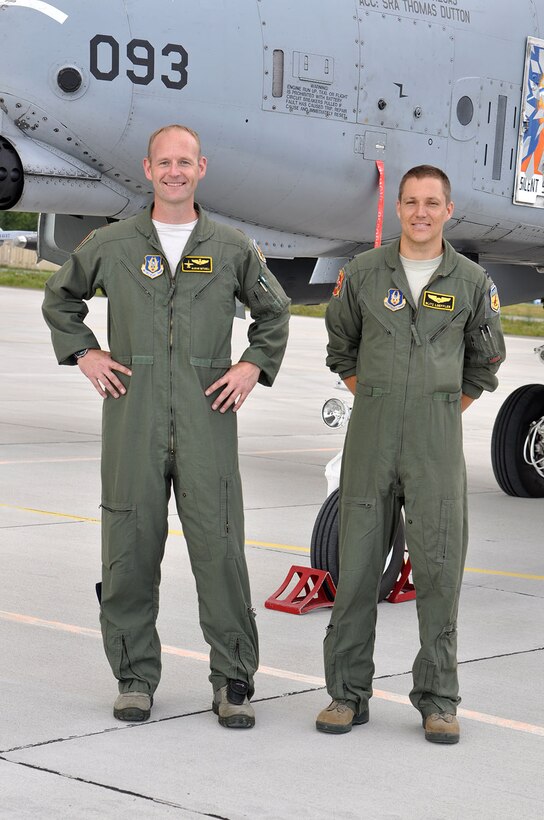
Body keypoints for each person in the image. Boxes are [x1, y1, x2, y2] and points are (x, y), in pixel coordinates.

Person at [42, 124, 290, 728]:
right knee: (127, 549)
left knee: (220, 552)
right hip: (133, 414)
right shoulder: (115, 242)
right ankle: (134, 676)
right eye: (163, 163)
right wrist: (85, 353)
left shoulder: (232, 246)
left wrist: (253, 366)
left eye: (185, 162)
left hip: (209, 417)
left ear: (201, 167)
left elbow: (273, 310)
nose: (174, 171)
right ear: (147, 170)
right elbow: (60, 298)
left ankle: (233, 679)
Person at [315, 165, 505, 743]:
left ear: (449, 210)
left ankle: (438, 698)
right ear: (398, 208)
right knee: (355, 574)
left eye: (432, 203)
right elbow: (340, 348)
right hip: (370, 439)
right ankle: (346, 695)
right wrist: (374, 399)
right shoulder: (364, 275)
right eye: (411, 202)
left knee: (440, 572)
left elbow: (486, 362)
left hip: (436, 444)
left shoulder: (472, 282)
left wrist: (441, 409)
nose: (421, 212)